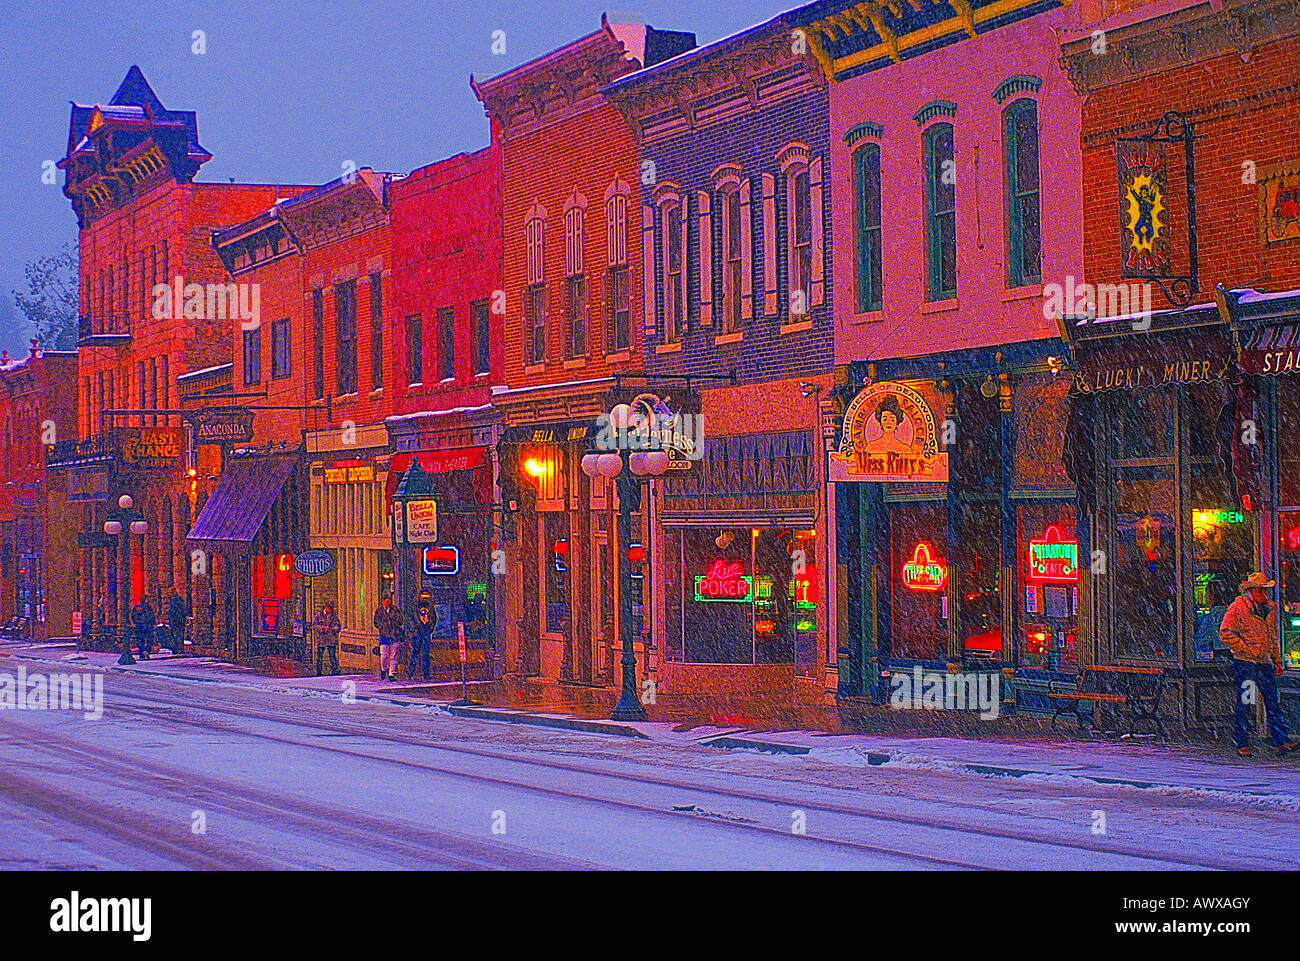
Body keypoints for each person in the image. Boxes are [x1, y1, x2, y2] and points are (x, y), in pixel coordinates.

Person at [1220, 572, 1296, 758]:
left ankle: (1280, 740)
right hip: (1245, 664)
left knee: (1272, 702)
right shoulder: (1237, 608)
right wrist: (1245, 649)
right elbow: (1225, 633)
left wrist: (1277, 659)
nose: (1265, 594)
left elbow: (1272, 637)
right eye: (1262, 590)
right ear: (1253, 591)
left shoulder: (1266, 610)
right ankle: (1242, 742)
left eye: (1266, 590)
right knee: (1246, 702)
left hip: (1262, 663)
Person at [373, 592, 404, 681]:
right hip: (384, 635)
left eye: (389, 601)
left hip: (394, 635)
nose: (388, 603)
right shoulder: (379, 611)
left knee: (393, 655)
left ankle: (391, 673)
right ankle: (383, 669)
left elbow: (400, 620)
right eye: (386, 601)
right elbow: (376, 622)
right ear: (383, 601)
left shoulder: (395, 610)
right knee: (384, 655)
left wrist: (394, 625)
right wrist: (383, 627)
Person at [312, 603, 341, 676]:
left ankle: (334, 670)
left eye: (331, 608)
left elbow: (338, 625)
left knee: (332, 655)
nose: (330, 610)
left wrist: (336, 628)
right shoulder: (319, 616)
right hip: (321, 639)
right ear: (326, 607)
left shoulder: (334, 616)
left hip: (331, 638)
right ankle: (319, 671)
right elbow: (314, 626)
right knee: (319, 656)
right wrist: (322, 628)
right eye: (329, 608)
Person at [409, 599, 434, 681]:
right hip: (418, 632)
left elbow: (434, 619)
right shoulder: (415, 607)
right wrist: (414, 629)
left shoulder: (430, 607)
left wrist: (430, 628)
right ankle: (411, 672)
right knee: (415, 653)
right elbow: (410, 619)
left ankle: (425, 674)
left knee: (425, 654)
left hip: (425, 631)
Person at [129, 596, 156, 660]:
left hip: (139, 625)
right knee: (150, 639)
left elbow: (132, 615)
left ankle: (141, 655)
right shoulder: (148, 607)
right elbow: (151, 616)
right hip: (147, 625)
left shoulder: (136, 607)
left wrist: (135, 623)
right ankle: (146, 650)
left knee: (140, 640)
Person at [168, 587, 188, 652]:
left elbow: (173, 612)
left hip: (175, 620)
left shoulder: (173, 601)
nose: (168, 594)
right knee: (180, 635)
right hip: (180, 620)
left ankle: (176, 649)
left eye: (170, 593)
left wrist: (171, 620)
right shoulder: (179, 600)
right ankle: (180, 649)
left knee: (175, 635)